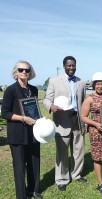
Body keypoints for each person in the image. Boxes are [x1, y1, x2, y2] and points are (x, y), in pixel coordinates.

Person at [43, 56, 86, 191]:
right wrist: (51, 107)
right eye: (69, 65)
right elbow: (46, 99)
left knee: (78, 150)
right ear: (64, 66)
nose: (71, 68)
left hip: (78, 120)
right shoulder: (54, 81)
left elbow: (84, 103)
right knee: (62, 152)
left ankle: (76, 174)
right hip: (62, 121)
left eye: (73, 65)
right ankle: (62, 178)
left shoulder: (81, 82)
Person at [1, 60, 43, 199]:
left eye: (27, 69)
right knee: (19, 167)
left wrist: (41, 118)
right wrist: (23, 118)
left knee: (34, 163)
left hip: (33, 133)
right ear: (16, 72)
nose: (24, 72)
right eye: (21, 70)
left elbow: (35, 110)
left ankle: (34, 190)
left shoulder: (34, 89)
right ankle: (21, 195)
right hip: (17, 134)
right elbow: (5, 113)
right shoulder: (11, 90)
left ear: (31, 72)